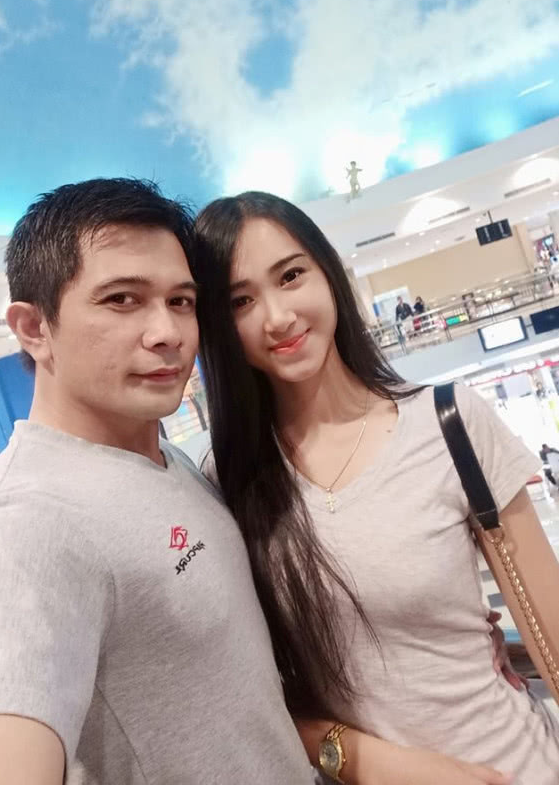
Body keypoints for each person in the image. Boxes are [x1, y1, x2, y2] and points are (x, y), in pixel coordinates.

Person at [0, 179, 318, 785]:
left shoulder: (161, 456)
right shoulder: (23, 524)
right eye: (122, 299)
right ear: (34, 328)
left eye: (180, 301)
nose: (168, 332)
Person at [194, 190, 559, 785]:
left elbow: (551, 633)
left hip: (520, 766)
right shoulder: (227, 482)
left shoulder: (449, 423)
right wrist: (368, 760)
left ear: (328, 274)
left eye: (291, 276)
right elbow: (250, 691)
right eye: (241, 301)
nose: (277, 316)